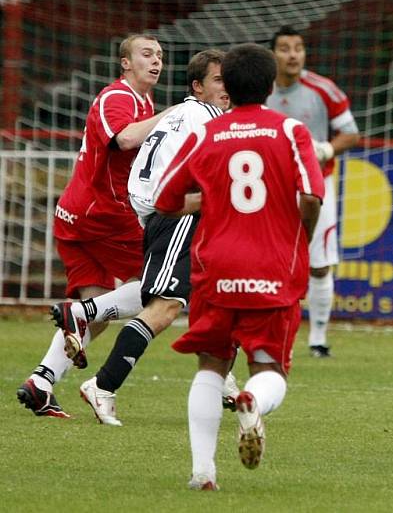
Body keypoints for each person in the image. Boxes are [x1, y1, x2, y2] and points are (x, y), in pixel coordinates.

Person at [153, 42, 324, 490]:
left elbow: (165, 201)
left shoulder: (206, 134)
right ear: (270, 85)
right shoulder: (290, 130)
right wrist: (301, 236)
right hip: (271, 267)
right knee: (270, 371)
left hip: (215, 268)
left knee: (210, 366)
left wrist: (212, 198)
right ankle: (251, 399)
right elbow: (310, 195)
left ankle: (202, 472)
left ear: (226, 86)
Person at [17, 34, 175, 418]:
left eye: (159, 55)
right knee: (163, 288)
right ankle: (223, 381)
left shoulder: (142, 101)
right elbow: (123, 139)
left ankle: (41, 382)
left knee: (99, 312)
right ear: (125, 63)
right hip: (100, 216)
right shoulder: (117, 97)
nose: (156, 61)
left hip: (82, 216)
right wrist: (172, 116)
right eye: (146, 54)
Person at [73, 49, 234, 426]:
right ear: (198, 86)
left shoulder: (179, 114)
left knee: (218, 296)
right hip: (178, 216)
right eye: (218, 80)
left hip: (166, 214)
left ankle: (223, 377)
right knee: (164, 306)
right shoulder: (208, 119)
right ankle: (103, 384)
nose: (227, 88)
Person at [267, 25, 360, 357]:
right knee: (269, 263)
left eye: (298, 47)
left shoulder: (324, 90)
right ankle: (270, 334)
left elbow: (350, 134)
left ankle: (318, 340)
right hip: (269, 187)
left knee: (319, 265)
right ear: (273, 54)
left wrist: (326, 150)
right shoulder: (259, 89)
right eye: (285, 48)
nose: (293, 54)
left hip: (316, 186)